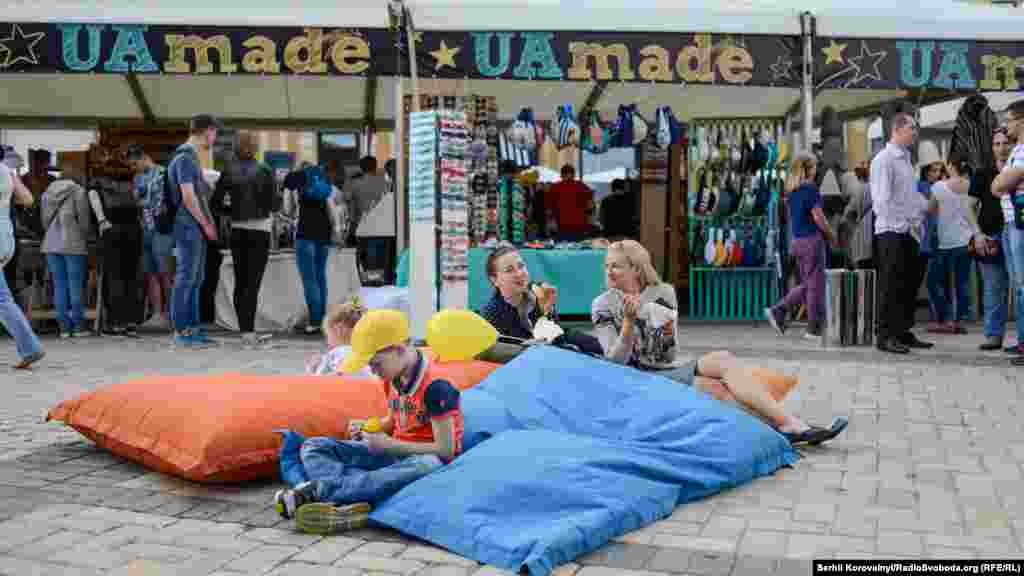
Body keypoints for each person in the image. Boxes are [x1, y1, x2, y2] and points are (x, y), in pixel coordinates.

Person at [592, 240, 847, 446]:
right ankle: (785, 428)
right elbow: (614, 364)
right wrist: (628, 325)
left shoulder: (663, 293)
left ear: (636, 269)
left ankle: (789, 422)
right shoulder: (603, 305)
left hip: (662, 368)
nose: (609, 272)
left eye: (616, 266)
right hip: (634, 378)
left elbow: (667, 356)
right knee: (714, 389)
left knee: (723, 358)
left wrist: (655, 324)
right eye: (606, 266)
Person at [274, 309, 463, 534]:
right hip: (392, 456)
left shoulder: (437, 387)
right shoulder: (392, 377)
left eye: (375, 364)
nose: (372, 371)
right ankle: (348, 497)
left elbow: (446, 450)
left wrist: (390, 445)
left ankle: (325, 492)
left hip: (423, 463)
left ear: (399, 349)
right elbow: (396, 421)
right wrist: (368, 427)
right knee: (313, 446)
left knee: (427, 464)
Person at [870, 113, 939, 354]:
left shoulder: (906, 160)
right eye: (912, 128)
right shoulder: (884, 159)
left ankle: (902, 331)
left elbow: (909, 196)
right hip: (891, 231)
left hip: (909, 231)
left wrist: (924, 206)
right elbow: (881, 201)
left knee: (908, 284)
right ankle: (885, 335)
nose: (915, 132)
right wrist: (906, 220)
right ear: (897, 129)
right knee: (891, 284)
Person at [211, 132, 280, 346]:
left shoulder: (228, 170)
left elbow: (215, 203)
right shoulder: (265, 170)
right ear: (256, 147)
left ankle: (245, 331)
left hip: (237, 229)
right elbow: (275, 205)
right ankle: (249, 332)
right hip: (260, 229)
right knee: (253, 283)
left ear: (235, 147)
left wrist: (232, 211)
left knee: (241, 282)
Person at [480, 244, 603, 358]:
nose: (519, 273)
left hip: (551, 344)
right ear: (495, 280)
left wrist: (548, 310)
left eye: (521, 266)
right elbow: (510, 355)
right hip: (531, 360)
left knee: (597, 345)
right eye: (509, 270)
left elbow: (557, 336)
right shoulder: (490, 314)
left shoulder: (537, 291)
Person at [765, 152, 837, 339]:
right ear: (807, 168)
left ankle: (778, 311)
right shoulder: (810, 189)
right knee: (815, 286)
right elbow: (818, 217)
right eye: (814, 166)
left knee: (808, 285)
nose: (816, 170)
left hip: (797, 242)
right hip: (812, 241)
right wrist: (830, 235)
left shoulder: (791, 191)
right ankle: (813, 330)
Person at [169, 114, 221, 348]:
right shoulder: (185, 158)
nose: (215, 137)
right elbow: (189, 198)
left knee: (195, 279)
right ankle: (182, 331)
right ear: (206, 131)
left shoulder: (190, 158)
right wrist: (206, 224)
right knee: (186, 279)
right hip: (188, 227)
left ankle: (193, 328)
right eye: (215, 132)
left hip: (191, 227)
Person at [285, 163, 345, 335]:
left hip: (304, 236)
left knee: (309, 280)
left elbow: (288, 210)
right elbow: (335, 210)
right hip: (323, 236)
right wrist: (337, 232)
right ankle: (322, 320)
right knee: (320, 278)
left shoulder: (296, 186)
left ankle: (314, 322)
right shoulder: (326, 187)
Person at [927, 157, 981, 335]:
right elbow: (976, 209)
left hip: (945, 241)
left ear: (950, 166)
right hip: (966, 239)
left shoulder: (939, 187)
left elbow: (930, 210)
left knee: (936, 281)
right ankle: (959, 320)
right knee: (963, 282)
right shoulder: (971, 185)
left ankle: (946, 318)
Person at [1, 156, 44, 368]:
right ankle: (30, 347)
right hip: (6, 239)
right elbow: (27, 199)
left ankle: (31, 347)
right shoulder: (7, 171)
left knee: (1, 300)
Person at [41, 160, 93, 339]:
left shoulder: (47, 193)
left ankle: (63, 327)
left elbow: (44, 221)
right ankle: (78, 327)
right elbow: (84, 221)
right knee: (75, 285)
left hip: (50, 243)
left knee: (59, 285)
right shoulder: (79, 191)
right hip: (73, 243)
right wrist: (87, 237)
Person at [973, 127, 1013, 351]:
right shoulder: (983, 173)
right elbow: (968, 205)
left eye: (1005, 143)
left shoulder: (1018, 167)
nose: (1001, 148)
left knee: (1019, 287)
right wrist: (977, 233)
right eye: (997, 144)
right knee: (993, 287)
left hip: (1016, 231)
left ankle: (1021, 339)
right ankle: (993, 335)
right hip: (990, 235)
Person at [88, 175, 143, 338]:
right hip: (133, 231)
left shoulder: (96, 186)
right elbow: (139, 206)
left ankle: (116, 323)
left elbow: (95, 204)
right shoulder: (131, 184)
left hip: (111, 230)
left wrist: (101, 221)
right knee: (132, 276)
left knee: (113, 276)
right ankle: (131, 323)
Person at [990, 98, 1024, 358]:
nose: (1006, 125)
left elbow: (1001, 184)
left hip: (1020, 223)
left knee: (1023, 284)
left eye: (1010, 119)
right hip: (1011, 223)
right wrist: (1002, 181)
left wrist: (1002, 181)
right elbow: (998, 185)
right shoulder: (1017, 150)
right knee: (1019, 284)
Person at [128, 145, 173, 331]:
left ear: (144, 157)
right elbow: (136, 200)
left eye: (134, 164)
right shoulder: (137, 177)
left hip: (161, 229)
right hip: (145, 228)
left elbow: (166, 201)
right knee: (151, 273)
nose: (133, 168)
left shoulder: (163, 173)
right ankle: (157, 314)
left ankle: (171, 313)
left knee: (165, 273)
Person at [349, 156, 395, 285]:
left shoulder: (355, 184)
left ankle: (372, 281)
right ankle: (383, 281)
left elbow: (349, 206)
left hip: (363, 228)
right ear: (375, 167)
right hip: (385, 228)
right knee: (384, 260)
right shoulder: (384, 183)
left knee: (368, 261)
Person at [305, 298, 374, 377]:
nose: (327, 342)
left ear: (339, 329)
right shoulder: (371, 357)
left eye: (328, 335)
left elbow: (321, 385)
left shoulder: (339, 354)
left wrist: (312, 370)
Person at [545, 164, 593, 241]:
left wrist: (550, 223)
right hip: (580, 226)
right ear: (573, 174)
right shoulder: (582, 186)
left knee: (562, 250)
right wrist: (590, 222)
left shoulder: (554, 188)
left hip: (561, 226)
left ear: (561, 175)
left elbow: (549, 210)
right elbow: (590, 206)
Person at [842, 168, 874, 270]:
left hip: (861, 237)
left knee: (862, 270)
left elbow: (847, 214)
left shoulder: (858, 190)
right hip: (876, 237)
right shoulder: (876, 187)